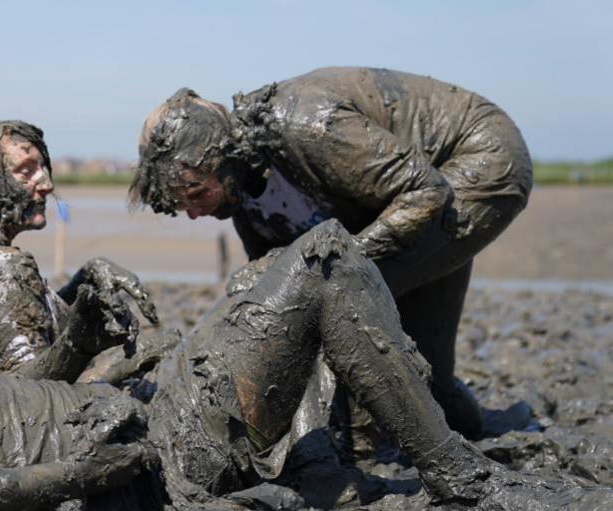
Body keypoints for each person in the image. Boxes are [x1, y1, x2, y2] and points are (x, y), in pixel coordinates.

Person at [0, 200, 608, 511]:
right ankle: (461, 481)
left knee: (261, 285)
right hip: (157, 448)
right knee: (323, 263)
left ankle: (320, 453)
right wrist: (78, 473)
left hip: (134, 420)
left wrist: (79, 334)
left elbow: (10, 401)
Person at [130, 67, 534, 438]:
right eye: (182, 207)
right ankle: (477, 432)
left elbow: (424, 193)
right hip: (408, 201)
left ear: (222, 157)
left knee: (341, 301)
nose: (197, 213)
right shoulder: (244, 202)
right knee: (429, 375)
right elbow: (276, 302)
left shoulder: (303, 124)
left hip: (477, 157)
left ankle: (358, 444)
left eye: (199, 194)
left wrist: (343, 262)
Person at [0, 120, 172, 383]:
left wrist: (84, 279)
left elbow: (19, 319)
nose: (47, 184)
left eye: (42, 167)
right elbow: (29, 388)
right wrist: (78, 343)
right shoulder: (6, 265)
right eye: (25, 171)